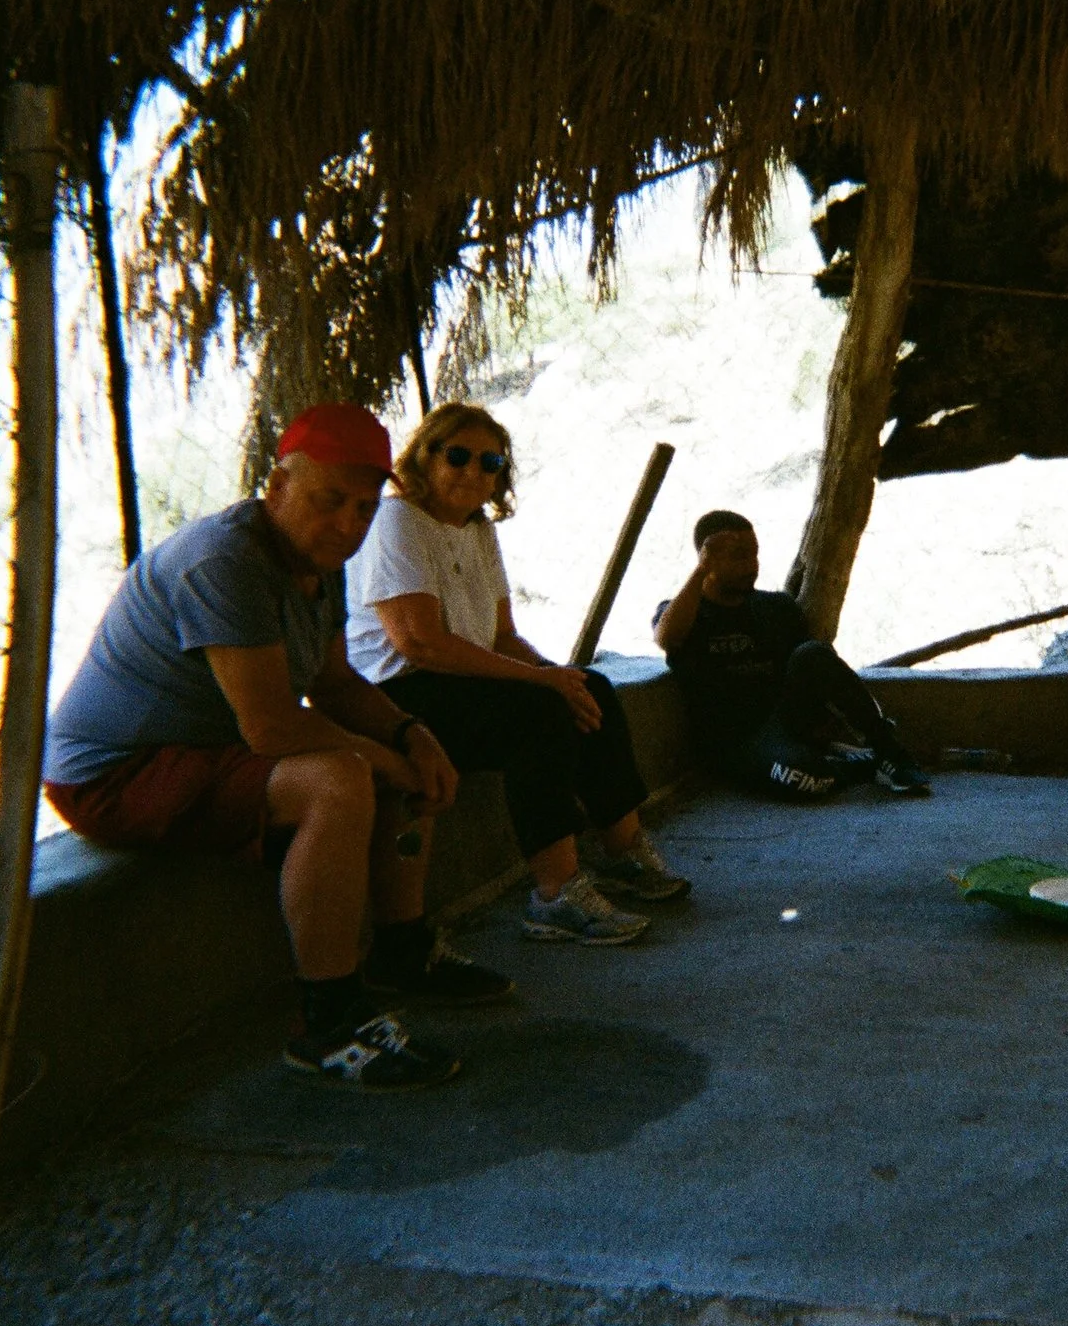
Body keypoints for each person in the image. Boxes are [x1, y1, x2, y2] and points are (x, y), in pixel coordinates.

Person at [43, 403, 507, 1093]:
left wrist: (412, 735)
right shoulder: (224, 562)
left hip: (208, 751)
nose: (349, 523)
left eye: (363, 507)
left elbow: (333, 681)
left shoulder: (320, 558)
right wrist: (386, 758)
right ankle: (329, 1022)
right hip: (117, 774)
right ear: (277, 486)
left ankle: (404, 953)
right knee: (341, 780)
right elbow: (273, 729)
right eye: (329, 500)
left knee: (396, 751)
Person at [347, 402, 675, 948]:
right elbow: (419, 642)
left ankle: (624, 853)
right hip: (400, 693)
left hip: (461, 680)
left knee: (587, 688)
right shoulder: (397, 520)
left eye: (490, 462)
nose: (474, 471)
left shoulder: (476, 530)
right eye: (458, 456)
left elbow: (501, 637)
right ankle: (556, 895)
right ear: (424, 458)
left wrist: (553, 673)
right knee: (538, 713)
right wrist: (541, 685)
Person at [652, 509, 932, 800]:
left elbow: (816, 668)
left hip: (785, 722)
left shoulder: (777, 608)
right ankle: (853, 765)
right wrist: (699, 571)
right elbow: (666, 638)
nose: (752, 565)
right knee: (806, 778)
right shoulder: (684, 613)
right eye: (739, 556)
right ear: (707, 560)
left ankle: (889, 753)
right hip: (738, 744)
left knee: (813, 652)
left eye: (754, 554)